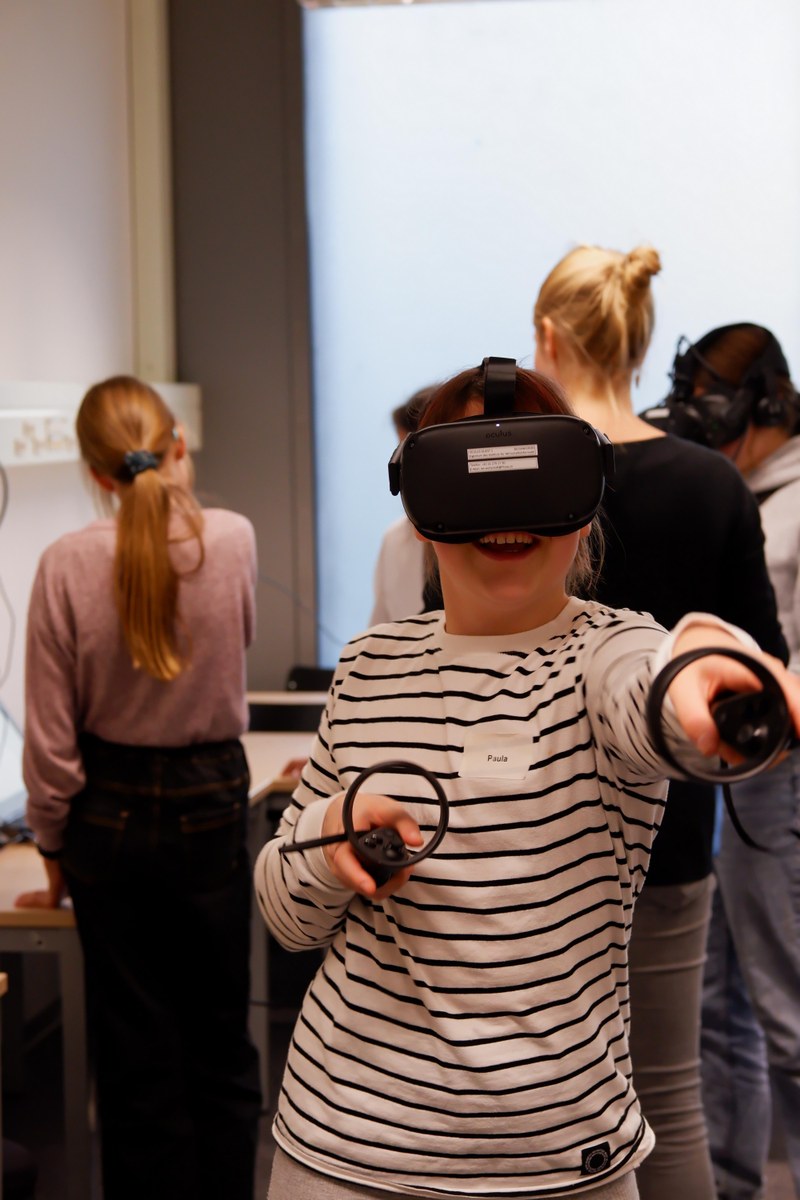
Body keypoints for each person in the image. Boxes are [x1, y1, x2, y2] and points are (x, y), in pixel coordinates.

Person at [254, 360, 800, 1200]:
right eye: (471, 482)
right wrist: (334, 833)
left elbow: (653, 688)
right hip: (343, 1151)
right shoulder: (370, 667)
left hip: (560, 1161)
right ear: (421, 510)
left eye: (536, 478)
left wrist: (706, 676)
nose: (503, 520)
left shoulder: (607, 653)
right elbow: (287, 916)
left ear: (585, 506)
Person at [531, 246, 788, 1200]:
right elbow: (758, 664)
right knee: (668, 1100)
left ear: (549, 338)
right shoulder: (712, 485)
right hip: (671, 836)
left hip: (532, 849)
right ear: (640, 344)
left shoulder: (516, 488)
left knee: (541, 1105)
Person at [15, 376, 262, 1200]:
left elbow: (50, 746)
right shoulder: (233, 539)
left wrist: (54, 850)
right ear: (177, 444)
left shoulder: (63, 564)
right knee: (221, 1044)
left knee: (134, 1061)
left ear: (94, 472)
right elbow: (241, 650)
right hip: (213, 800)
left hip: (107, 821)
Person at [654, 322, 800, 1200]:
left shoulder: (794, 510)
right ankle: (735, 1185)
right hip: (725, 781)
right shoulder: (740, 498)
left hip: (781, 785)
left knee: (786, 1015)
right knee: (718, 1012)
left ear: (768, 404)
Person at [369, 387, 435, 625]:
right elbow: (380, 629)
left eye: (409, 451)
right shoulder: (395, 538)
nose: (402, 466)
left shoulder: (491, 541)